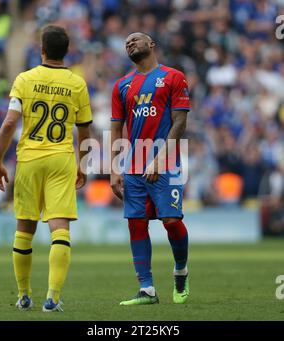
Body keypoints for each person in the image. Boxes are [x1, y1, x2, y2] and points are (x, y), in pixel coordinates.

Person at [0, 25, 92, 312]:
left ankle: (24, 295)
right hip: (61, 159)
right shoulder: (77, 84)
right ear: (67, 51)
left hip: (29, 160)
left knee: (24, 229)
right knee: (59, 228)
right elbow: (84, 131)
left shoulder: (25, 79)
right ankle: (53, 297)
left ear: (42, 50)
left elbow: (10, 122)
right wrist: (83, 165)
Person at [111, 32, 190, 305]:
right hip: (133, 165)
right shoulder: (122, 84)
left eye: (135, 39)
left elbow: (179, 122)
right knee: (136, 223)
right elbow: (115, 126)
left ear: (152, 44)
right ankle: (147, 289)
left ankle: (181, 270)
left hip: (166, 162)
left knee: (171, 221)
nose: (129, 42)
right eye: (127, 41)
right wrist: (114, 169)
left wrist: (159, 158)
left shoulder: (173, 77)